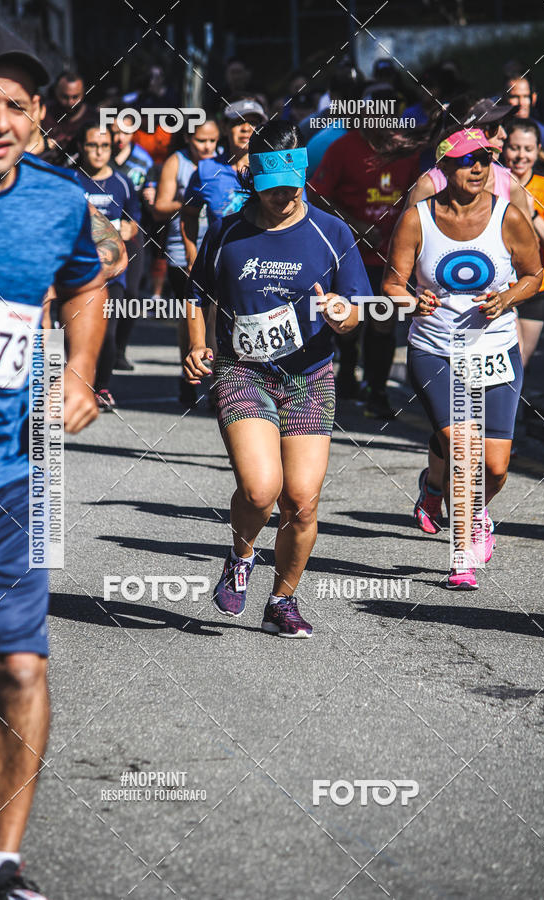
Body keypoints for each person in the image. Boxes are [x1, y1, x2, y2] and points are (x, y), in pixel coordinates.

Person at [0, 23, 108, 900]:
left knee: (20, 667)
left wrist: (82, 369)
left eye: (19, 104)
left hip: (5, 476)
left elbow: (87, 282)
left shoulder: (57, 200)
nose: (2, 120)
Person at [184, 122, 371, 636]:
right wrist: (197, 345)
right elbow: (197, 295)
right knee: (261, 489)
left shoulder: (331, 232)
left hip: (310, 376)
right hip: (243, 371)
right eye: (272, 189)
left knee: (302, 501)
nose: (283, 198)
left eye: (291, 186)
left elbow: (357, 308)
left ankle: (281, 601)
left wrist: (343, 313)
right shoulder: (226, 229)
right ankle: (241, 556)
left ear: (304, 176)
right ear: (254, 179)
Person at [383, 128, 541, 589]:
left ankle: (438, 492)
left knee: (495, 467)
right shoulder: (417, 219)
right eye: (468, 159)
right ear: (445, 167)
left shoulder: (508, 217)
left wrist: (508, 298)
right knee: (464, 449)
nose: (478, 167)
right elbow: (392, 285)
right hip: (434, 349)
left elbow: (535, 272)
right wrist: (412, 301)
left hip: (494, 352)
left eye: (485, 160)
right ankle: (463, 553)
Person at [309, 86, 421, 415]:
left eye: (390, 116)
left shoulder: (407, 152)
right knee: (350, 321)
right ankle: (346, 370)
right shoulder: (343, 148)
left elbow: (419, 198)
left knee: (383, 320)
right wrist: (356, 225)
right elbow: (317, 197)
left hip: (392, 255)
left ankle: (377, 391)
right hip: (349, 255)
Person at [72, 120, 141, 410]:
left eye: (104, 146)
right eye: (92, 145)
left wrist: (128, 230)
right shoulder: (71, 181)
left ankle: (101, 388)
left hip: (112, 275)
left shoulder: (123, 183)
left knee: (107, 332)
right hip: (76, 272)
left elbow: (134, 222)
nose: (98, 152)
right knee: (71, 329)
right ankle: (73, 384)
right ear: (81, 147)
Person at [152, 116, 219, 405]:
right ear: (188, 139)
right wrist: (194, 201)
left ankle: (219, 382)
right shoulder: (176, 162)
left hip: (217, 248)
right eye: (201, 141)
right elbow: (159, 207)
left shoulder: (223, 164)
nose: (207, 147)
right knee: (190, 315)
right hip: (183, 249)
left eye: (213, 141)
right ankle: (188, 373)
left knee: (216, 316)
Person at [180, 97, 268, 268]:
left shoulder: (275, 170)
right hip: (220, 268)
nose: (246, 129)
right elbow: (189, 213)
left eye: (253, 123)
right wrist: (192, 258)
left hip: (265, 265)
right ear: (225, 128)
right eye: (238, 122)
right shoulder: (206, 170)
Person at [503, 118, 544, 369]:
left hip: (537, 288)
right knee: (510, 365)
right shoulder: (490, 181)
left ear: (538, 150)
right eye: (514, 147)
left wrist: (532, 214)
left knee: (519, 367)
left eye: (528, 149)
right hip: (502, 288)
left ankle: (515, 409)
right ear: (504, 148)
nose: (520, 156)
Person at [110, 111, 154, 370]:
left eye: (125, 132)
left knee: (132, 294)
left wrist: (151, 194)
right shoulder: (99, 154)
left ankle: (119, 349)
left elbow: (152, 196)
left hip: (134, 233)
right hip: (98, 235)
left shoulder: (143, 160)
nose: (119, 138)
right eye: (114, 132)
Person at [41, 69, 97, 164]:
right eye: (65, 97)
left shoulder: (93, 118)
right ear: (56, 92)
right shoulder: (44, 113)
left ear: (83, 93)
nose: (70, 102)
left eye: (75, 97)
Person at [503, 74, 544, 171]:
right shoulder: (496, 131)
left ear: (534, 98)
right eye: (514, 97)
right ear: (505, 98)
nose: (521, 103)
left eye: (526, 96)